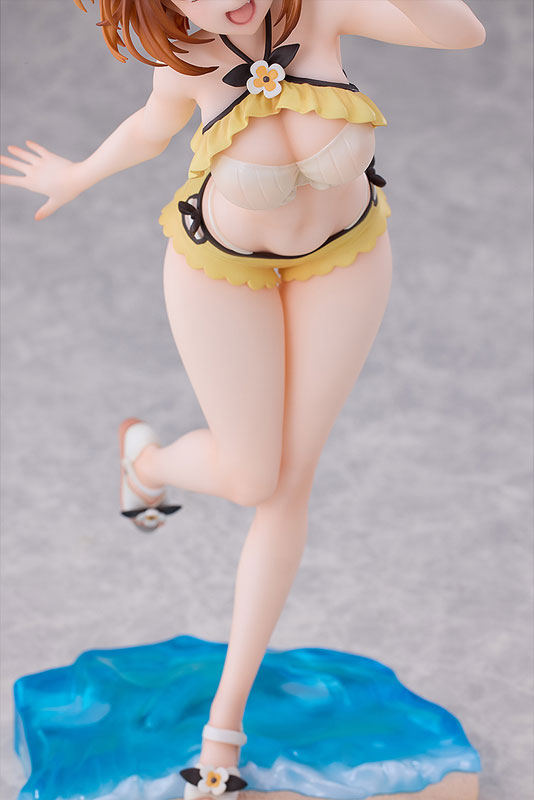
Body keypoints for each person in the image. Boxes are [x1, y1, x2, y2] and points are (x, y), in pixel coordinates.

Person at [0, 1, 485, 797]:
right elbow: (149, 131)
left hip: (346, 259)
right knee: (252, 476)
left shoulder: (322, 10)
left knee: (288, 487)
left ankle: (221, 737)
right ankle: (148, 463)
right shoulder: (187, 60)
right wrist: (77, 173)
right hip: (221, 271)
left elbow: (463, 33)